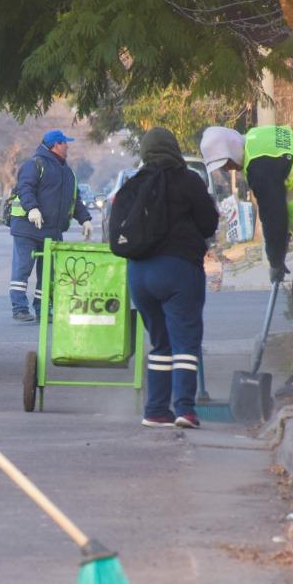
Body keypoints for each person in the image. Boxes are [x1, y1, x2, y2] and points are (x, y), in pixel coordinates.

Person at [200, 125, 293, 401]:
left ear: (232, 151)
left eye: (227, 162)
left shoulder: (260, 166)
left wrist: (275, 260)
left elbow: (274, 217)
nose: (232, 168)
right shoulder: (260, 137)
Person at [114, 127, 219, 428]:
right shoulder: (188, 180)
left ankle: (156, 410)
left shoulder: (133, 184)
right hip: (178, 270)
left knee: (160, 343)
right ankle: (185, 409)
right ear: (172, 148)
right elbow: (209, 223)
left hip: (139, 275)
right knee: (185, 341)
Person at [6, 129, 93, 321]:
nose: (68, 146)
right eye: (65, 143)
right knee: (23, 268)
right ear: (55, 145)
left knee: (49, 275)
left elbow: (74, 199)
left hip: (52, 231)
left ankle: (43, 308)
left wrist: (85, 219)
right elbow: (25, 188)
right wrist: (33, 209)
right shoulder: (34, 164)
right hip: (27, 228)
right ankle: (19, 308)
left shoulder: (67, 172)